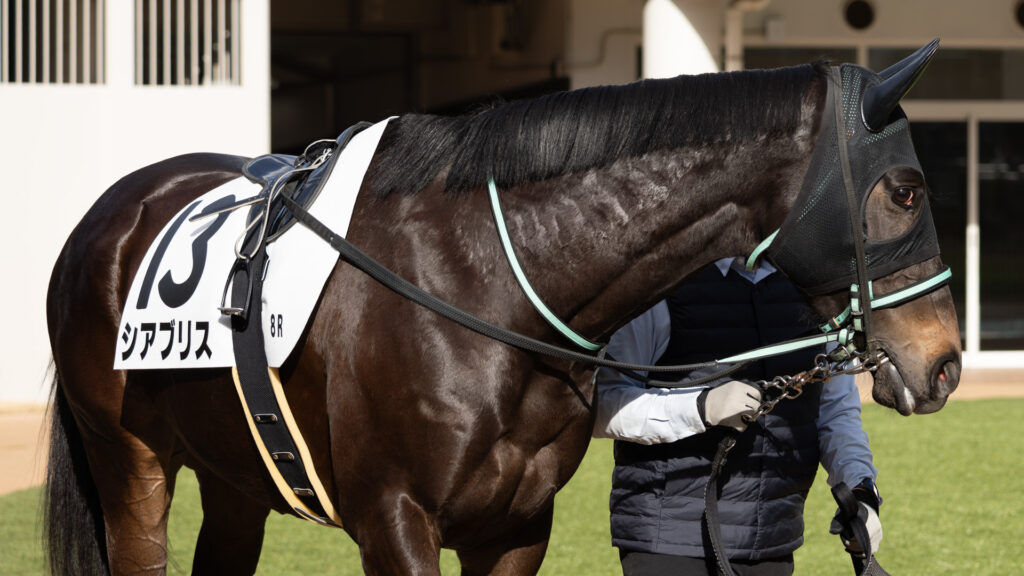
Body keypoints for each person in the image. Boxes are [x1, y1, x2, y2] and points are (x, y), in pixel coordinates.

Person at [594, 257, 882, 576]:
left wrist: (861, 490)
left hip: (773, 540)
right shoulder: (660, 283)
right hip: (668, 542)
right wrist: (700, 407)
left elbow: (836, 414)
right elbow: (604, 405)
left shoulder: (818, 290)